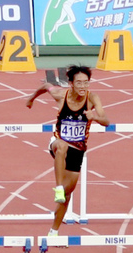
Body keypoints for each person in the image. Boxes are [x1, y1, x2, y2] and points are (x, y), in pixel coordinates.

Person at [25, 66, 109, 237]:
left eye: (86, 83)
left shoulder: (92, 98)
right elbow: (45, 86)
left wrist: (95, 117)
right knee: (62, 147)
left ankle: (53, 232)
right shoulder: (61, 95)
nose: (83, 86)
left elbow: (106, 121)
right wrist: (31, 99)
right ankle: (57, 188)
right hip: (57, 143)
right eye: (79, 83)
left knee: (67, 195)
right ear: (71, 83)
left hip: (78, 150)